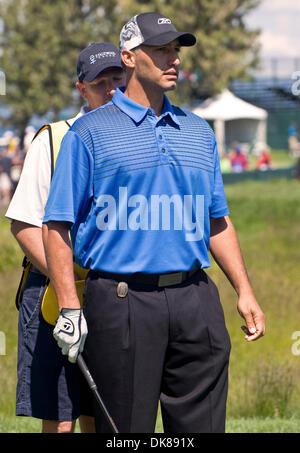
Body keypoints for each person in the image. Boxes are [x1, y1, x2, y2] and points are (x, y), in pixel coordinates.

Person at [42, 12, 265, 433]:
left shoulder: (198, 131)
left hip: (197, 299)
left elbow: (217, 222)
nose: (172, 59)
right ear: (128, 57)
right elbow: (57, 227)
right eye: (160, 49)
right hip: (122, 300)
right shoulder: (89, 133)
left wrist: (245, 290)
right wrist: (70, 307)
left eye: (175, 51)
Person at [5, 42, 125, 434]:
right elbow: (24, 225)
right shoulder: (54, 138)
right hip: (52, 297)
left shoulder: (132, 141)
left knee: (103, 416)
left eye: (117, 80)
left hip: (113, 292)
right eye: (100, 82)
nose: (110, 90)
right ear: (81, 88)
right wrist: (68, 280)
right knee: (60, 419)